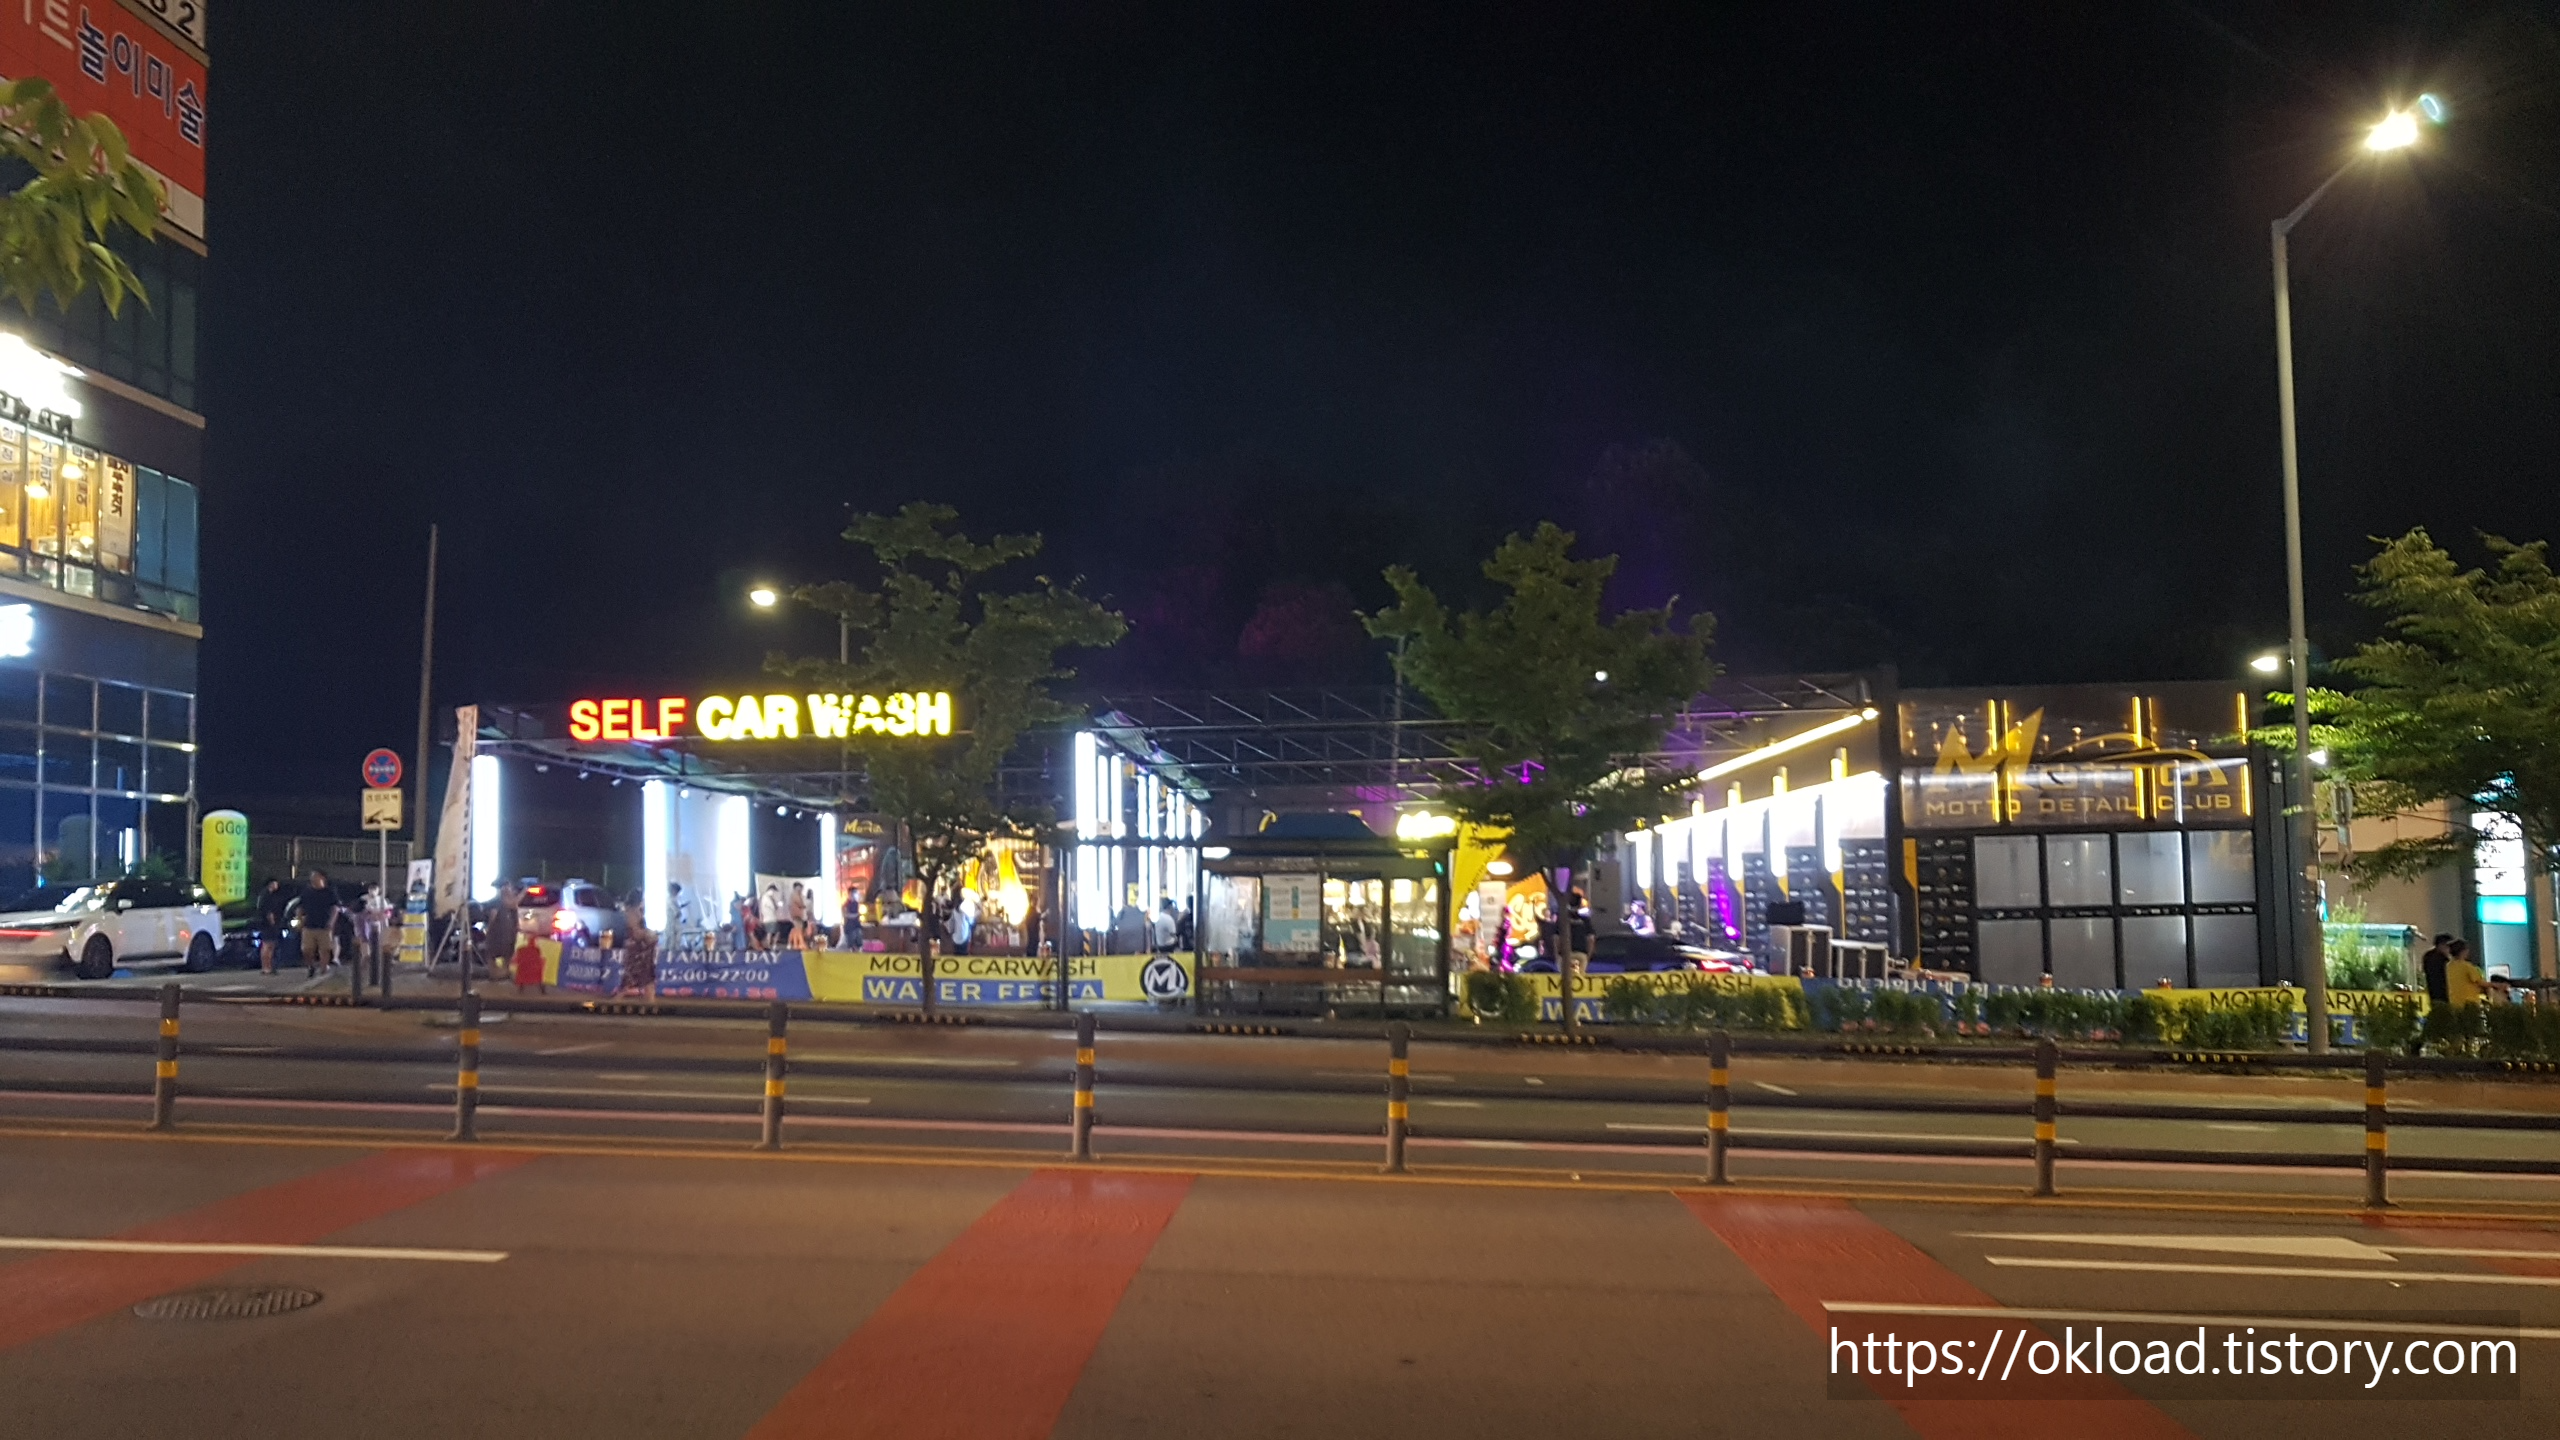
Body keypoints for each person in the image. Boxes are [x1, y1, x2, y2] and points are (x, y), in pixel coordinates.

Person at [296, 870, 338, 979]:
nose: (313, 879)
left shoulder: (329, 892)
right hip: (309, 925)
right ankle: (311, 966)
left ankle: (324, 968)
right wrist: (299, 919)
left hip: (324, 925)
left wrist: (331, 922)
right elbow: (300, 906)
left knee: (324, 949)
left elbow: (335, 908)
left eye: (315, 876)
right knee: (306, 949)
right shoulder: (306, 892)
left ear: (322, 878)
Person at [484, 880, 521, 983]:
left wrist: (488, 929)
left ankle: (495, 975)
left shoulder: (496, 901)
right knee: (507, 954)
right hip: (509, 932)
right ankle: (504, 973)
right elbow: (516, 919)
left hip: (497, 932)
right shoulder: (512, 903)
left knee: (491, 954)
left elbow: (493, 916)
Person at [619, 901, 657, 1001]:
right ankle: (618, 999)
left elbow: (645, 936)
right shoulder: (632, 914)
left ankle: (650, 1002)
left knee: (648, 982)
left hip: (643, 956)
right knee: (631, 980)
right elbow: (635, 933)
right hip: (637, 955)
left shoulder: (634, 914)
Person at [255, 879, 288, 976]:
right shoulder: (267, 895)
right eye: (275, 883)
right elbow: (268, 911)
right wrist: (272, 921)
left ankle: (267, 966)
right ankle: (266, 967)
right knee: (268, 945)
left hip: (266, 923)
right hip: (268, 924)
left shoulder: (265, 895)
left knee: (269, 945)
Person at [2445, 938, 2487, 1010]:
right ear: (2463, 951)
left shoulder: (2449, 966)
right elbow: (2480, 982)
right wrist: (2497, 985)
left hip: (2454, 1003)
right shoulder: (2467, 966)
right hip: (2469, 1002)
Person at [2420, 933, 2454, 1010]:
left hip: (2432, 990)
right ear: (2442, 945)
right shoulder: (2443, 959)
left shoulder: (2427, 955)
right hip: (2444, 991)